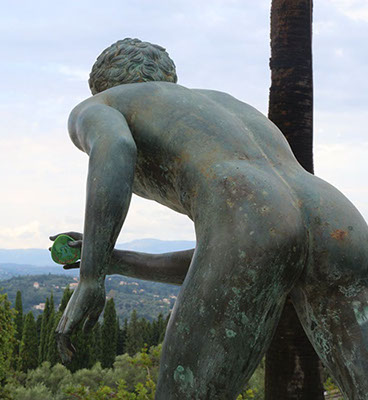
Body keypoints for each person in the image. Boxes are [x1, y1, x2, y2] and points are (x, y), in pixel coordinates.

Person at [51, 38, 368, 399]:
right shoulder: (226, 106)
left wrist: (91, 278)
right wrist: (115, 261)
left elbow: (116, 147)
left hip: (250, 217)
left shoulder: (102, 104)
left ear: (101, 84)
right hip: (335, 217)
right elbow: (243, 255)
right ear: (168, 77)